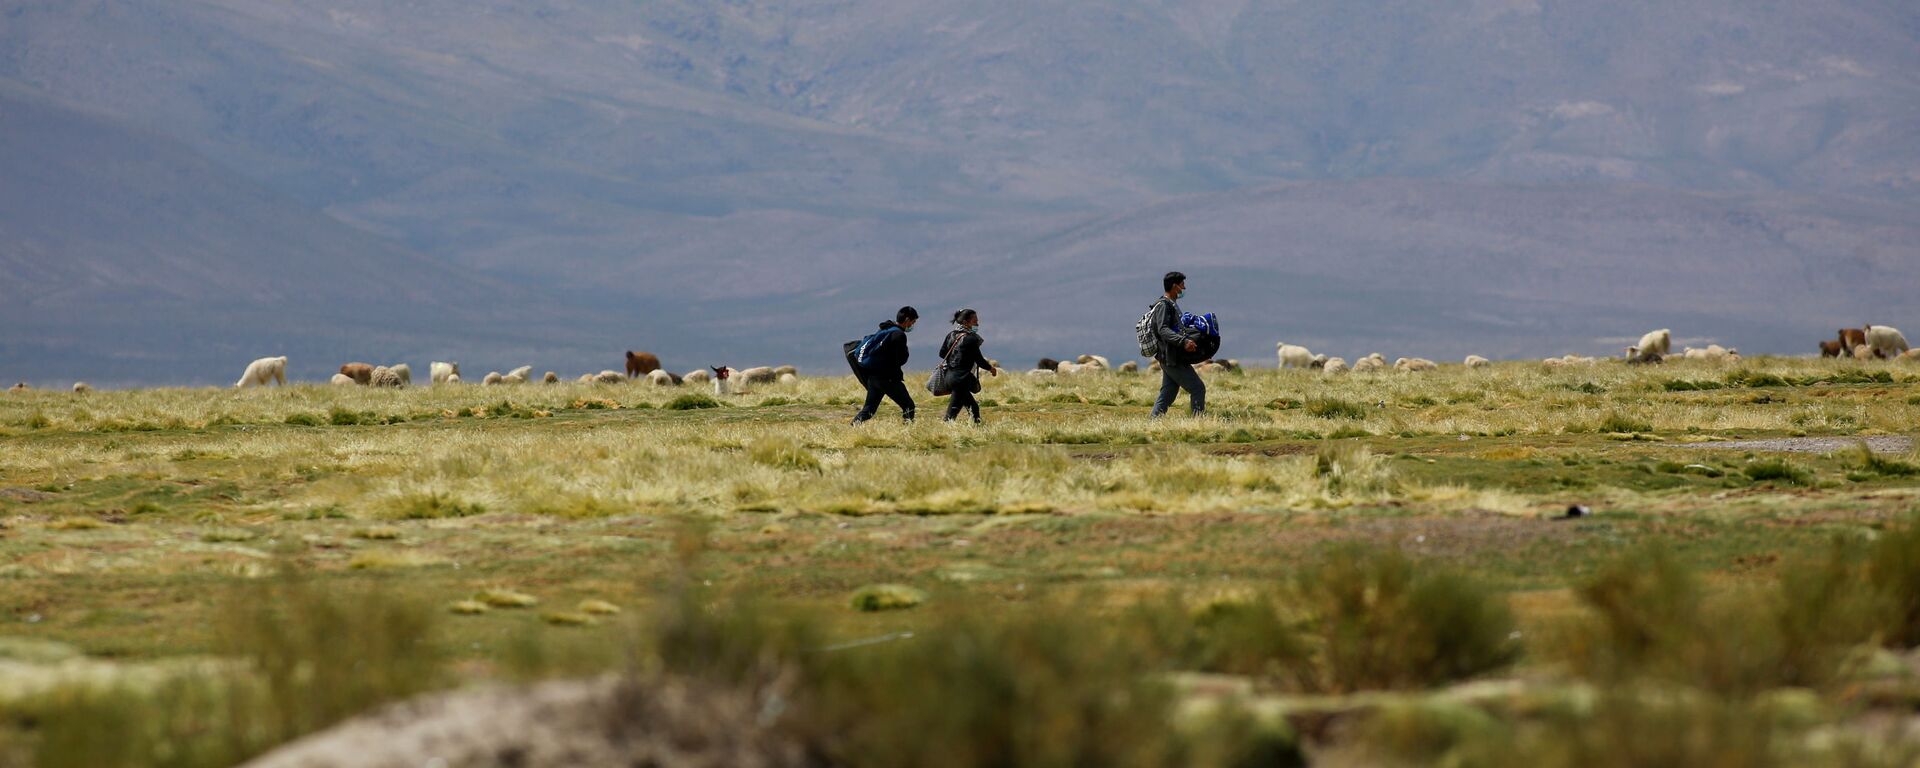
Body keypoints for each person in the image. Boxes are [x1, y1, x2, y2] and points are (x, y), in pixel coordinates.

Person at [1149, 271, 1205, 417]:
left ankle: (1153, 423)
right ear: (1175, 286)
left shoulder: (1171, 305)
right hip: (1172, 358)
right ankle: (1199, 423)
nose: (1184, 288)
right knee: (1198, 388)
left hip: (1170, 357)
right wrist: (1184, 341)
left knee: (1168, 394)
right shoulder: (1164, 305)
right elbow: (1163, 329)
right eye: (1182, 285)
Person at [851, 306, 919, 424]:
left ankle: (853, 427)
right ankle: (908, 433)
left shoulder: (885, 329)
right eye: (913, 322)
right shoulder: (899, 335)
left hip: (874, 378)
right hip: (888, 379)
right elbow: (900, 359)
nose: (913, 324)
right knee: (909, 406)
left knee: (869, 410)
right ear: (907, 320)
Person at [938, 308, 999, 423]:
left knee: (973, 408)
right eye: (975, 320)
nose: (977, 323)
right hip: (961, 379)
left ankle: (976, 429)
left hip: (949, 376)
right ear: (966, 322)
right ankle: (946, 433)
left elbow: (942, 354)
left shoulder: (951, 335)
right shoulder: (970, 339)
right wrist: (991, 369)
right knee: (952, 414)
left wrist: (955, 357)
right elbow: (979, 360)